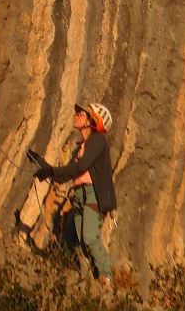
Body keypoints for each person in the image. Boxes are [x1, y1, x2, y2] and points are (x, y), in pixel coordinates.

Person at [28, 100, 116, 286]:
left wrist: (51, 170)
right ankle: (94, 279)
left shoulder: (98, 141)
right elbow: (65, 175)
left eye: (81, 114)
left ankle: (105, 277)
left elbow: (80, 167)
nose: (76, 115)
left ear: (92, 121)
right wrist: (42, 164)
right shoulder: (82, 147)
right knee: (79, 242)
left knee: (89, 237)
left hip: (93, 195)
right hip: (79, 195)